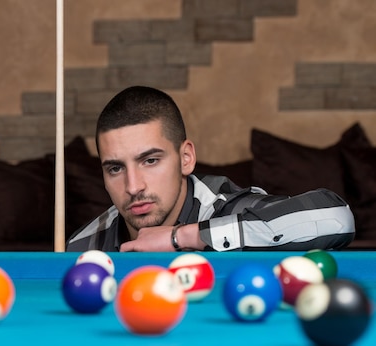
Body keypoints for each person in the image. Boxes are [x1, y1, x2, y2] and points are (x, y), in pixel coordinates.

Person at [66, 86, 355, 252]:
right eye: (115, 168)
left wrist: (181, 238)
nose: (133, 186)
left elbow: (336, 217)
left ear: (186, 158)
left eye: (150, 160)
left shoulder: (225, 207)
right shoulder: (84, 245)